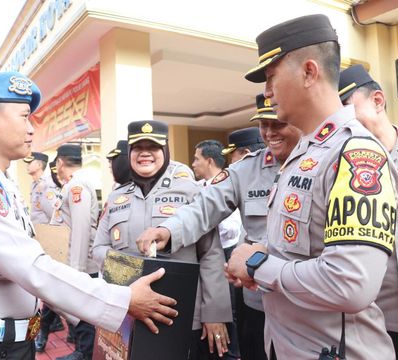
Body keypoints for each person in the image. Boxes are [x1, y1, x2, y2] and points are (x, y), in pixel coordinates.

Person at [138, 14, 398, 359]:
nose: (266, 92)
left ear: (309, 72)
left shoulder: (355, 154)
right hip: (284, 342)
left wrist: (256, 263)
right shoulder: (306, 152)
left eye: (272, 77)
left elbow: (350, 283)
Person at [0, 71, 177, 360]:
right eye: (24, 117)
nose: (32, 129)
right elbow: (29, 266)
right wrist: (122, 300)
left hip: (2, 345)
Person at [135, 94, 300, 360]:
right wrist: (168, 230)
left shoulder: (320, 161)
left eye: (277, 123)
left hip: (303, 301)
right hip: (258, 305)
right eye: (263, 125)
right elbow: (204, 207)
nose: (269, 133)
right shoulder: (248, 168)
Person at [93, 120, 232, 359]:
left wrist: (214, 314)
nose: (145, 152)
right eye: (138, 147)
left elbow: (211, 254)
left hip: (182, 313)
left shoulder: (191, 193)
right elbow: (98, 249)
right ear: (129, 153)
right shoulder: (117, 197)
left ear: (165, 151)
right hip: (130, 310)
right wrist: (128, 270)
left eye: (153, 147)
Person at [339, 64, 398, 359]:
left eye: (347, 108)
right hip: (376, 319)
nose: (342, 120)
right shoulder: (342, 164)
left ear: (377, 101)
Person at [192, 139, 241, 360]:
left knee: (228, 318)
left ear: (209, 160)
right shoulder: (198, 187)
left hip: (225, 257)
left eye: (196, 159)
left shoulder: (227, 184)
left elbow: (231, 228)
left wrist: (203, 225)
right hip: (205, 259)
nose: (193, 164)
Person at [53, 143, 99, 360]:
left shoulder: (76, 186)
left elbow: (80, 229)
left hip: (81, 265)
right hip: (75, 262)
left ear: (60, 162)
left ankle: (85, 353)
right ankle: (83, 351)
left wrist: (76, 271)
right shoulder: (73, 184)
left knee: (84, 314)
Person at [23, 152, 65, 352]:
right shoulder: (36, 184)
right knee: (44, 296)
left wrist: (50, 245)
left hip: (46, 245)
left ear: (39, 164)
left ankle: (38, 336)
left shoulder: (46, 186)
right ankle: (57, 329)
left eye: (30, 162)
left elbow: (54, 216)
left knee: (41, 296)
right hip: (37, 243)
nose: (27, 165)